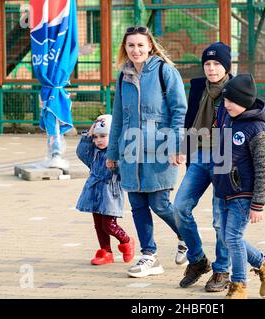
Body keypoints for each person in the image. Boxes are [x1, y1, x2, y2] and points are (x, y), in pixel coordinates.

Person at [106, 26, 188, 278]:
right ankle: (149, 255)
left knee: (160, 204)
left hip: (159, 147)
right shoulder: (124, 76)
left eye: (140, 45)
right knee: (138, 204)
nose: (136, 50)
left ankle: (187, 236)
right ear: (125, 48)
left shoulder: (165, 71)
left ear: (150, 46)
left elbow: (179, 111)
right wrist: (112, 152)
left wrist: (177, 146)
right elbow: (118, 117)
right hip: (130, 150)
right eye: (131, 45)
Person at [213, 74, 265, 299]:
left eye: (231, 101)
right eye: (225, 101)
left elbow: (264, 169)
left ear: (244, 100)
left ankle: (239, 285)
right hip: (224, 192)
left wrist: (258, 204)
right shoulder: (228, 118)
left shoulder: (257, 129)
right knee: (227, 238)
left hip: (244, 194)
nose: (226, 105)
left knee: (232, 238)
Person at [174, 42, 233, 292]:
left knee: (220, 219)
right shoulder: (198, 86)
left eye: (217, 63)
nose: (211, 68)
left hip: (224, 157)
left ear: (227, 66)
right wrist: (182, 147)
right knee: (180, 208)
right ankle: (198, 260)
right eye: (207, 64)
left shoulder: (236, 87)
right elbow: (190, 119)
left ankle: (222, 271)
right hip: (198, 155)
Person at [76, 114, 135, 266]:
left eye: (103, 136)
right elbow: (82, 154)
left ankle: (126, 241)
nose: (98, 140)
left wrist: (115, 165)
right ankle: (106, 251)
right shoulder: (94, 152)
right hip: (94, 190)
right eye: (95, 137)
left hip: (110, 192)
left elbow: (125, 171)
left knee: (108, 225)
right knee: (98, 225)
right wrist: (87, 137)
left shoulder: (118, 153)